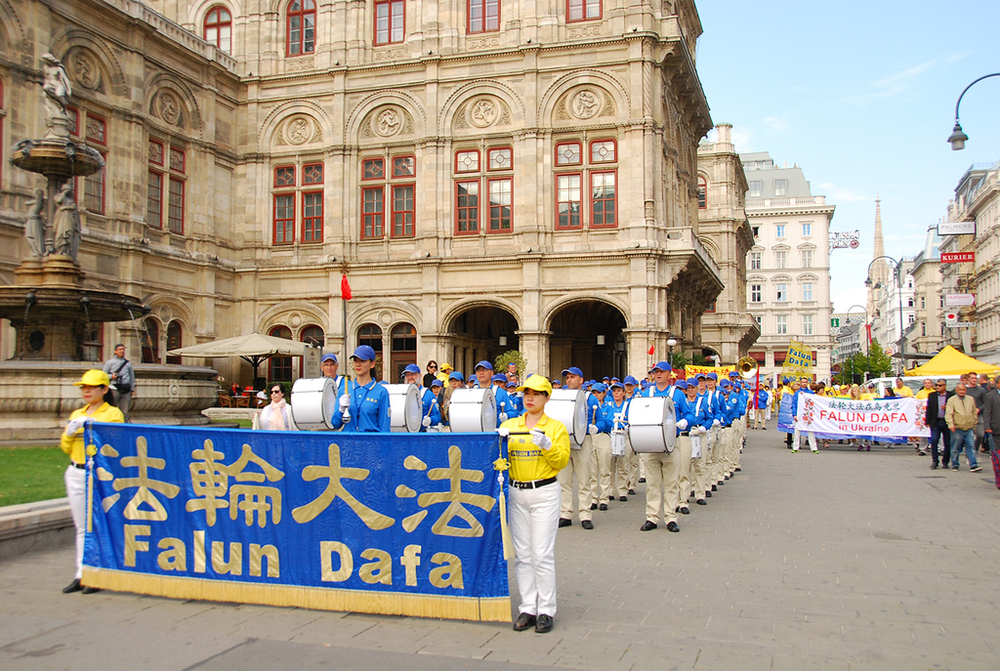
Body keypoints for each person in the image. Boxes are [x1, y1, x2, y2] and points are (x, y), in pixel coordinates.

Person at [497, 374, 570, 634]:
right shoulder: (510, 424)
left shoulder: (556, 428)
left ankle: (546, 609)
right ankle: (527, 607)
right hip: (517, 493)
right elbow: (499, 461)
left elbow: (561, 461)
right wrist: (497, 442)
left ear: (546, 398)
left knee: (542, 553)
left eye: (536, 393)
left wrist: (548, 446)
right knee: (523, 555)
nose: (530, 397)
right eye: (526, 393)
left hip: (544, 492)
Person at [60, 369, 124, 594]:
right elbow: (66, 447)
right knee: (81, 527)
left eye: (91, 387)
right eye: (83, 387)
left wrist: (94, 428)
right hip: (76, 471)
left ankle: (98, 571)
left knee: (96, 523)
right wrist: (70, 432)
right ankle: (81, 573)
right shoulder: (77, 413)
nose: (86, 391)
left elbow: (114, 445)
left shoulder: (113, 414)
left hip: (98, 475)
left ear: (104, 389)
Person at [639, 361, 683, 532]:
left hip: (671, 443)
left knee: (672, 483)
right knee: (652, 483)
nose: (658, 374)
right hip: (651, 443)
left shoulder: (677, 394)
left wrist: (685, 422)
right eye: (656, 372)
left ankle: (671, 517)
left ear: (669, 374)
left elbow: (687, 413)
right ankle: (652, 517)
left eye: (662, 372)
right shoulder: (647, 392)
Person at [556, 366, 600, 530]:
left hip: (583, 441)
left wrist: (595, 427)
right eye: (567, 377)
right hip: (564, 440)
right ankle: (565, 513)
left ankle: (585, 514)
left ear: (581, 380)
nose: (569, 380)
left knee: (584, 479)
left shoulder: (590, 398)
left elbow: (601, 420)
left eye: (572, 377)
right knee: (564, 480)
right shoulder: (560, 396)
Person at [331, 345, 390, 432]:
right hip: (349, 443)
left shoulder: (381, 392)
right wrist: (340, 410)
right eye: (355, 361)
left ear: (372, 364)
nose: (358, 364)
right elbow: (335, 424)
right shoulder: (345, 390)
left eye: (363, 361)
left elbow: (384, 427)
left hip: (371, 442)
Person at [946, 383, 981, 472]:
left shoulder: (970, 399)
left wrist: (974, 424)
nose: (962, 391)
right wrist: (951, 424)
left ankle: (973, 464)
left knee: (971, 446)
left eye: (963, 390)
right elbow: (949, 414)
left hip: (969, 427)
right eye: (960, 390)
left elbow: (974, 412)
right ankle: (955, 464)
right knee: (955, 447)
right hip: (957, 427)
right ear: (957, 390)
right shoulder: (952, 400)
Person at [102, 343, 135, 422]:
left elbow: (132, 376)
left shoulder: (128, 363)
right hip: (114, 388)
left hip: (126, 388)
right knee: (111, 407)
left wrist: (132, 388)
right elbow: (103, 375)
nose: (122, 351)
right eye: (120, 349)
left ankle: (125, 425)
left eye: (123, 349)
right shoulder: (109, 363)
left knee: (125, 410)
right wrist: (111, 377)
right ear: (115, 351)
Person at [404, 363, 440, 431]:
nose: (410, 377)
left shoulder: (428, 394)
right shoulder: (401, 395)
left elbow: (437, 416)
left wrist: (430, 420)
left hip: (421, 435)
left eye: (413, 374)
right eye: (407, 375)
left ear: (420, 375)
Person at [925, 379, 953, 470]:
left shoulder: (950, 396)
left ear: (945, 386)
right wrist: (928, 421)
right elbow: (929, 409)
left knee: (947, 442)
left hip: (946, 421)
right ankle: (935, 461)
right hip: (936, 421)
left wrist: (947, 407)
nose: (938, 387)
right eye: (937, 385)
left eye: (940, 385)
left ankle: (945, 461)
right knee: (934, 440)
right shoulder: (932, 395)